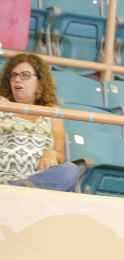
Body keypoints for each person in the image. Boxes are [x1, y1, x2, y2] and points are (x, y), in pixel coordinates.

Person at [0, 54, 82, 191]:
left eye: (25, 75)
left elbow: (60, 155)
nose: (17, 79)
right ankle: (20, 188)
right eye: (13, 75)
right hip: (4, 179)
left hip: (38, 179)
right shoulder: (2, 106)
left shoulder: (52, 112)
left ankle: (26, 187)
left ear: (39, 82)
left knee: (70, 170)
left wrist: (52, 153)